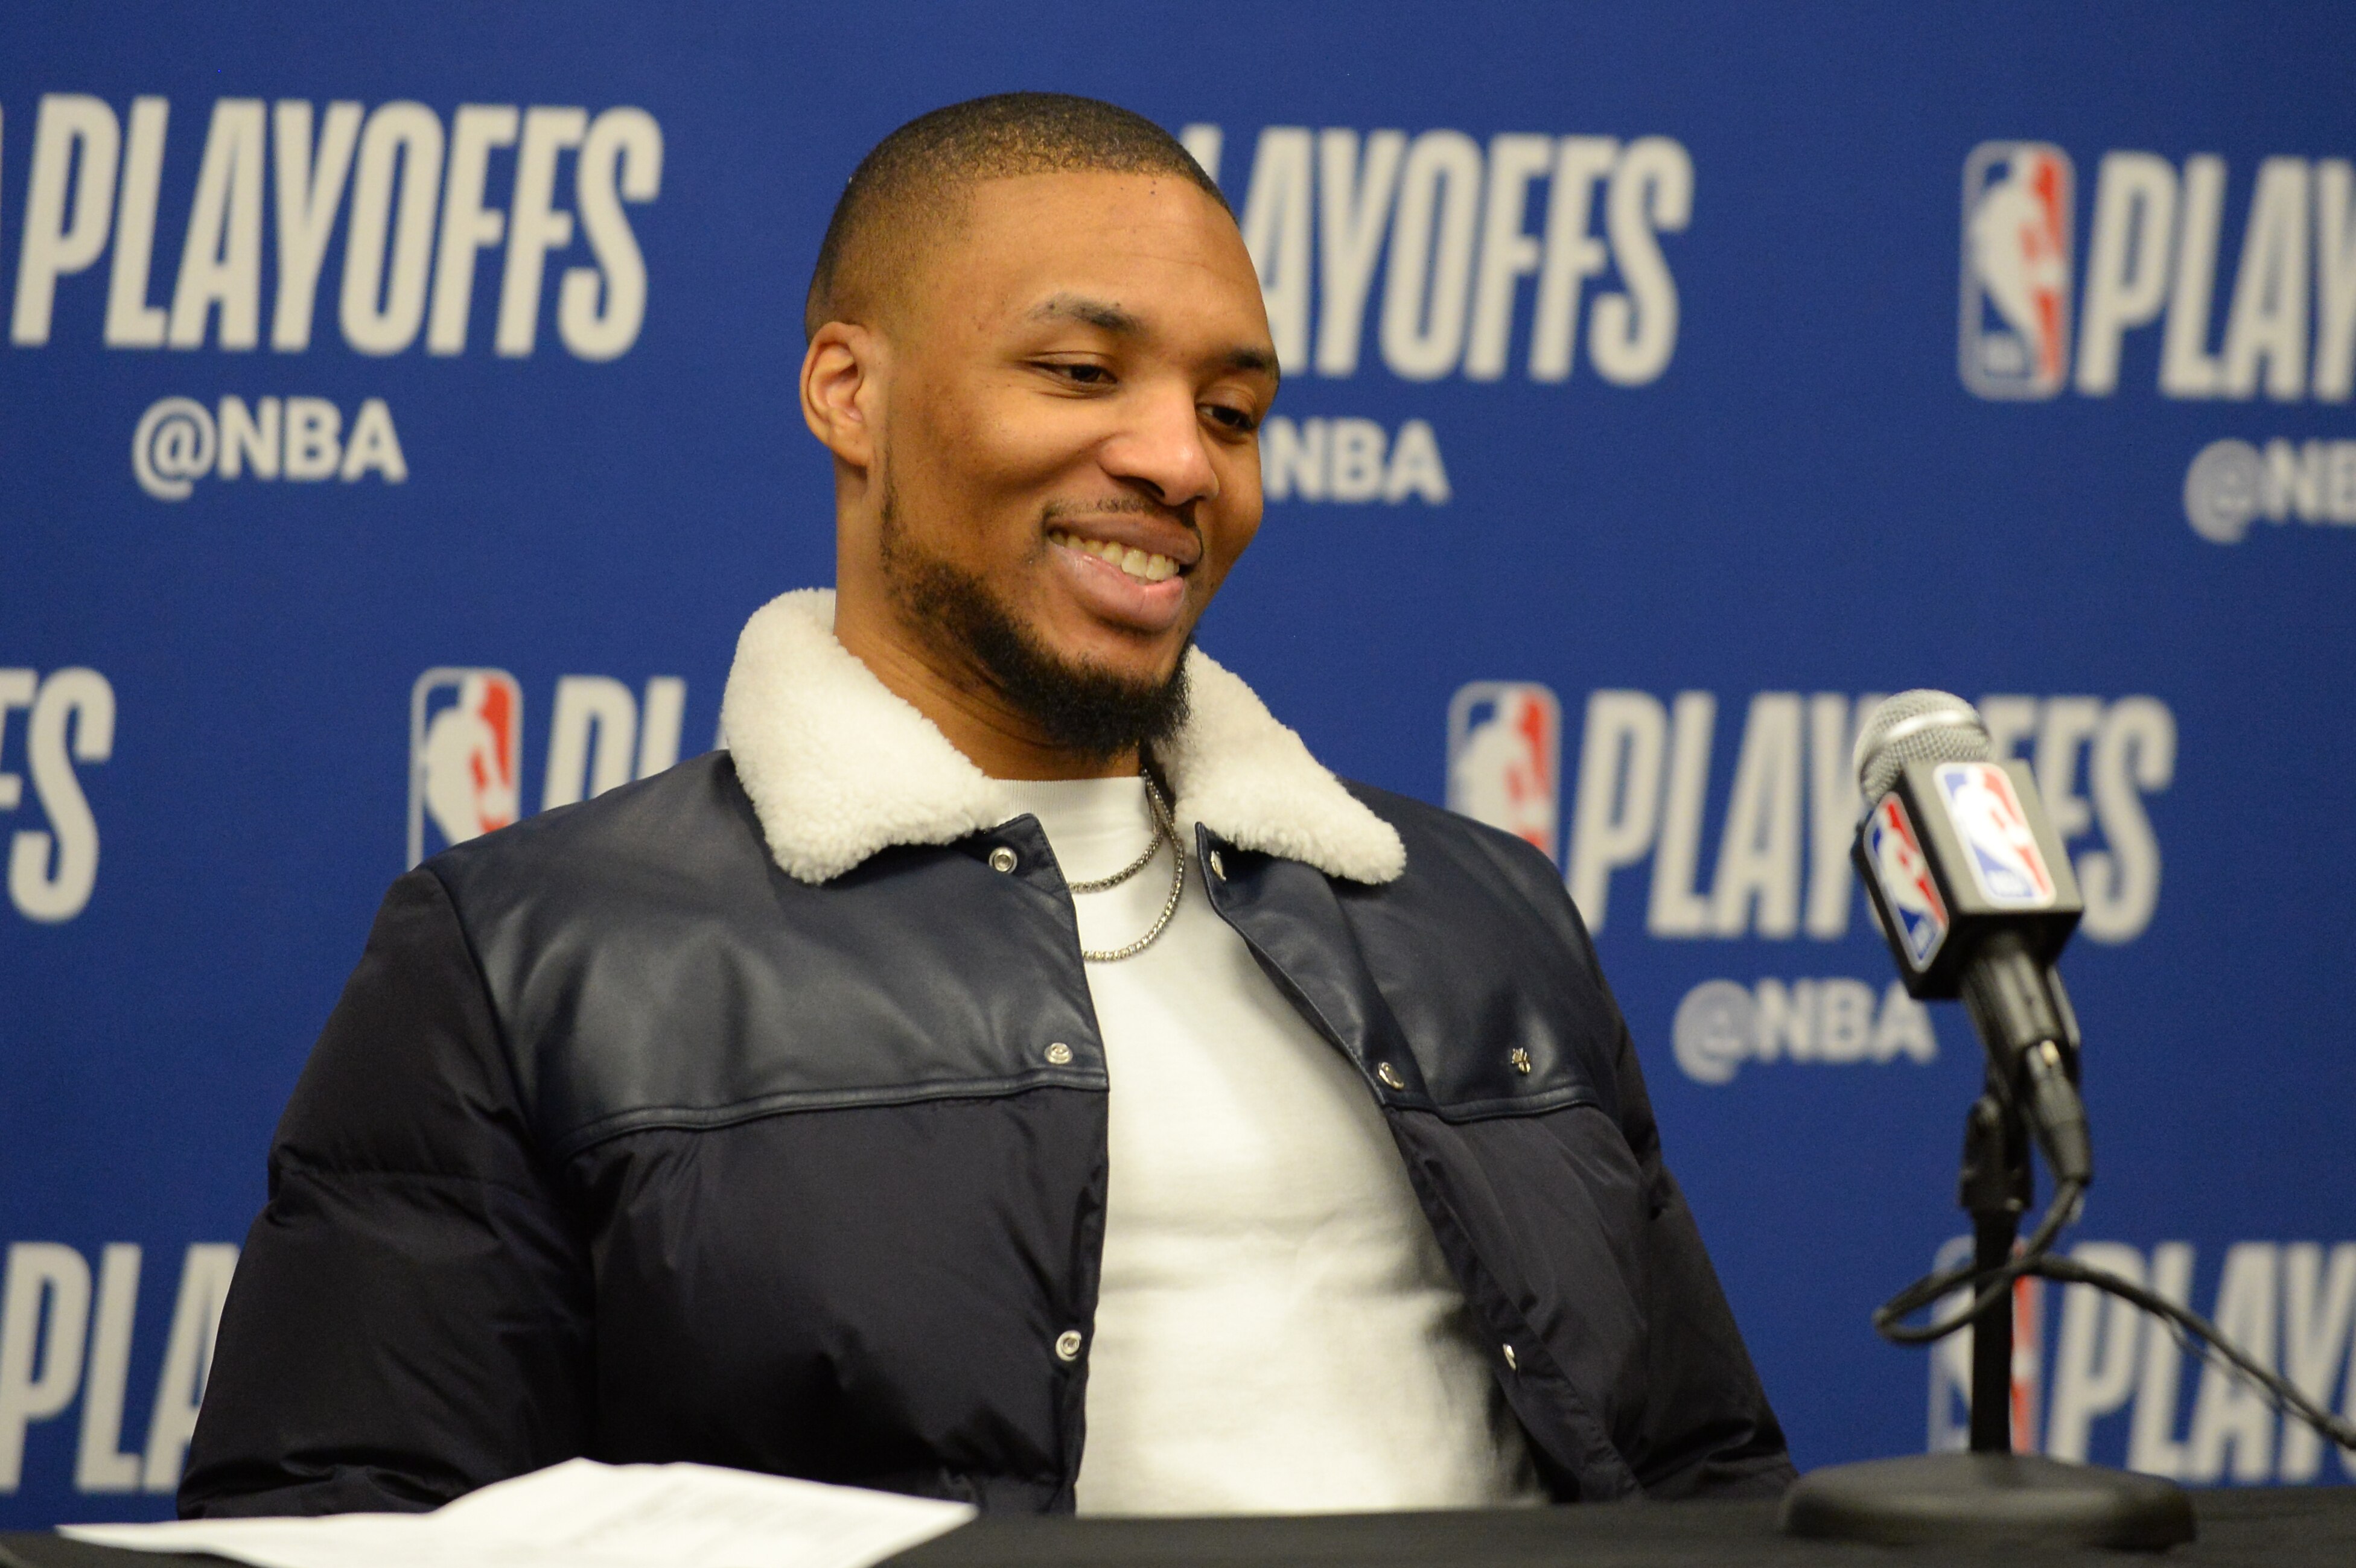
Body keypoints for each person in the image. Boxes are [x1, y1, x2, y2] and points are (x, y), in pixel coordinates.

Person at [182, 92, 1792, 1519]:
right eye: (1081, 370)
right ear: (847, 393)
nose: (1180, 460)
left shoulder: (1479, 915)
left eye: (1233, 412)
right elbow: (334, 1523)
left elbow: (1711, 1486)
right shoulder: (531, 954)